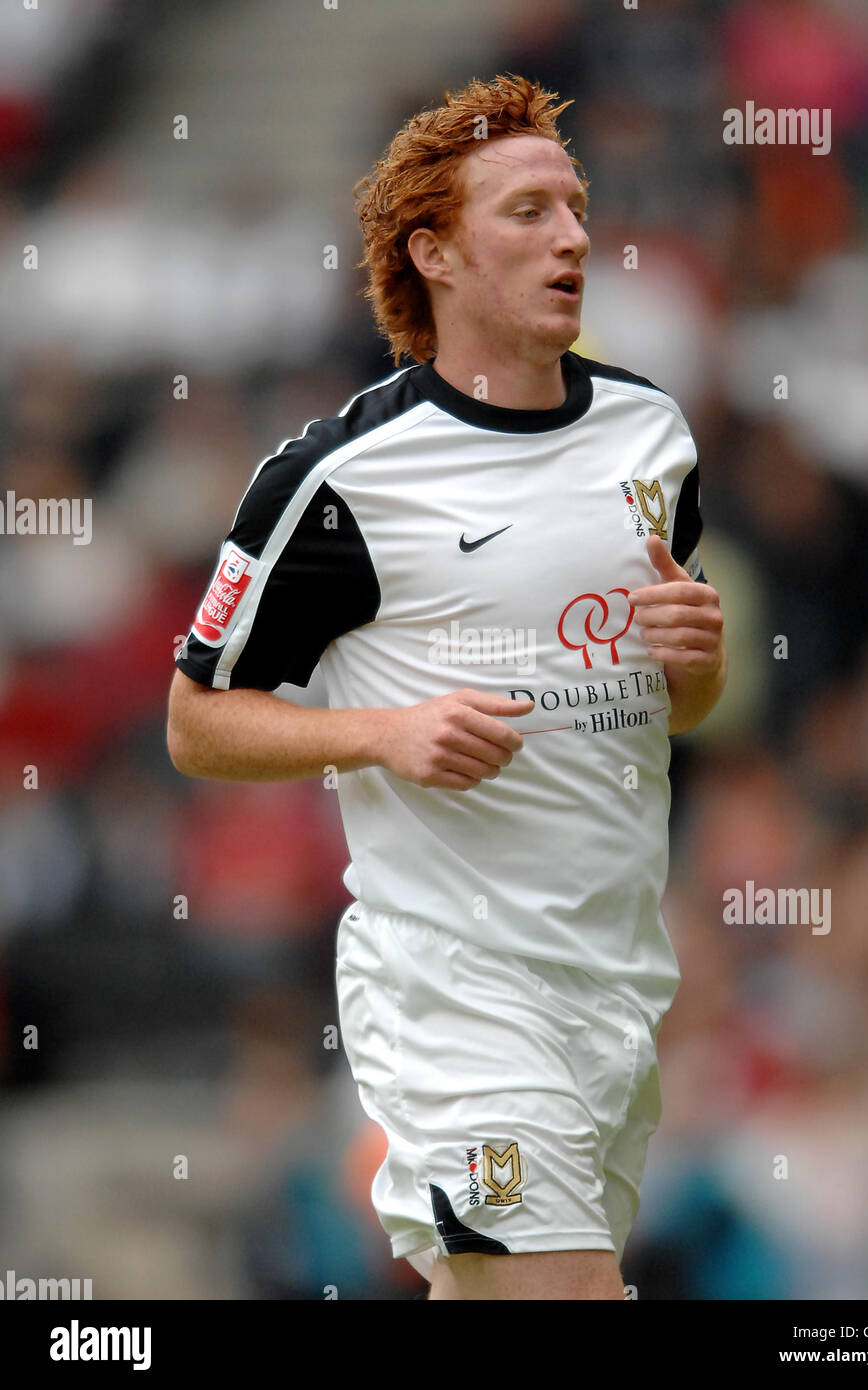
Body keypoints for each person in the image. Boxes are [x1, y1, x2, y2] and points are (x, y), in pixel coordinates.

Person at [166, 73, 726, 1301]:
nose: (573, 235)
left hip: (618, 989)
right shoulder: (340, 477)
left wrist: (700, 665)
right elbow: (196, 722)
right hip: (454, 994)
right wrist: (381, 733)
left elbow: (672, 708)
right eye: (527, 211)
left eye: (575, 206)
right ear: (436, 253)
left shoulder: (653, 436)